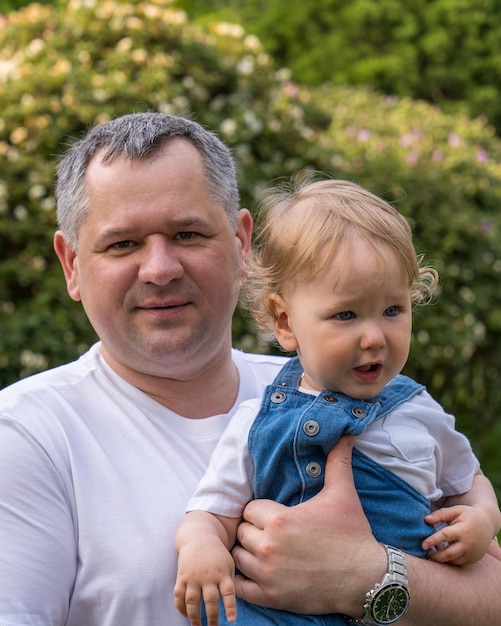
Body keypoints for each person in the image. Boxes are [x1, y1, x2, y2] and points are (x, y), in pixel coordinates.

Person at [0, 112, 500, 626]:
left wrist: (367, 575)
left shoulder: (334, 389)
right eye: (122, 243)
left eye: (188, 234)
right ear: (72, 265)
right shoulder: (26, 435)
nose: (160, 269)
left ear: (241, 243)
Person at [174, 175, 501, 626]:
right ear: (285, 321)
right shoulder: (256, 421)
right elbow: (211, 513)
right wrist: (201, 547)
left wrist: (483, 519)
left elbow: (471, 480)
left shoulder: (419, 411)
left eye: (393, 310)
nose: (374, 337)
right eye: (345, 315)